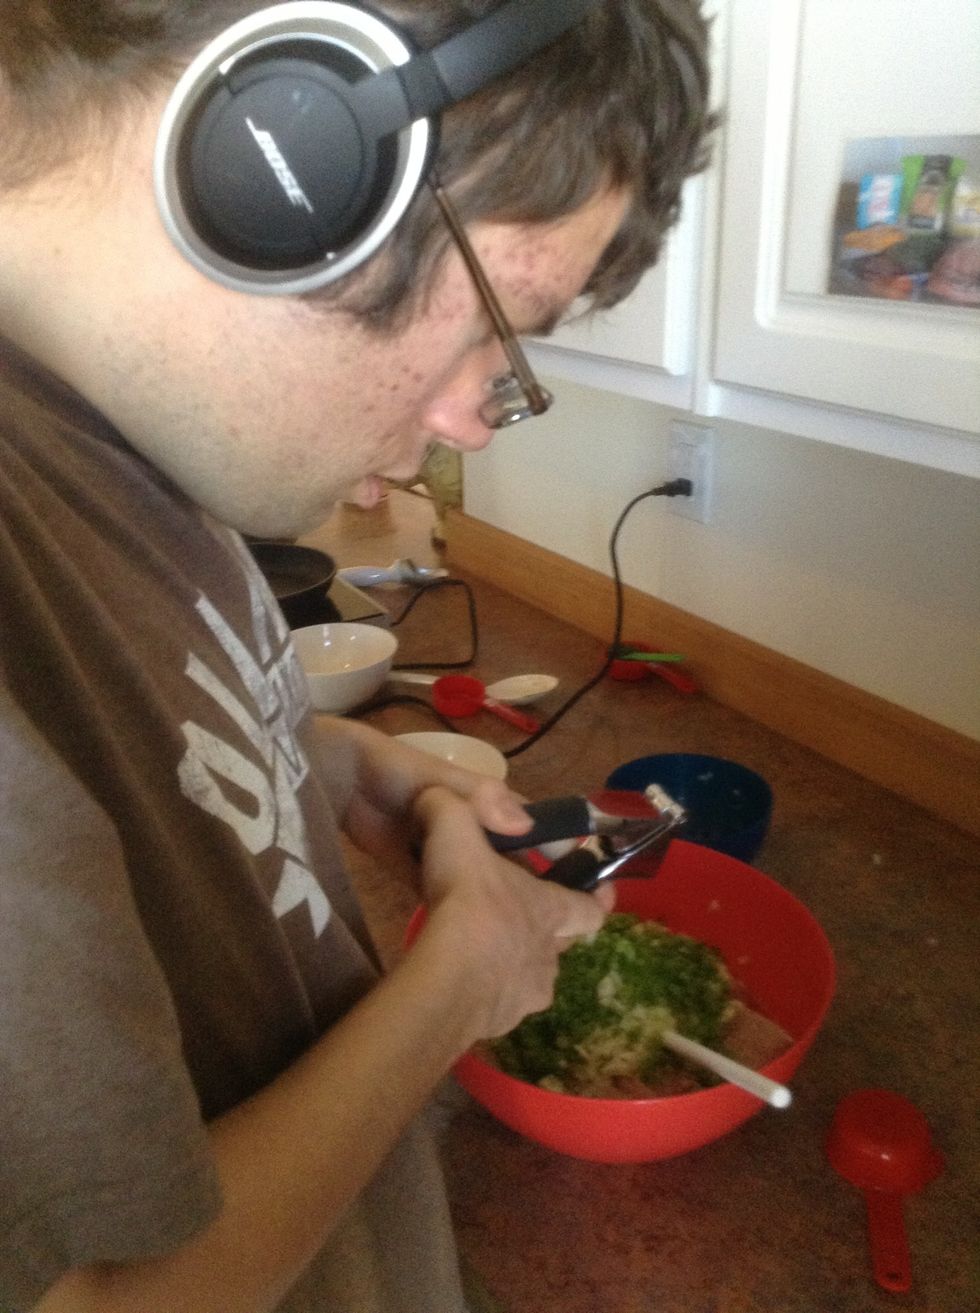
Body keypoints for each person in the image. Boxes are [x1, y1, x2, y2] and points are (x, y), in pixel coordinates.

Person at [0, 1, 714, 1309]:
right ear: (290, 147)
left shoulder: (140, 440)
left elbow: (144, 750)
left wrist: (332, 765)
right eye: (503, 318)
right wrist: (459, 987)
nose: (475, 418)